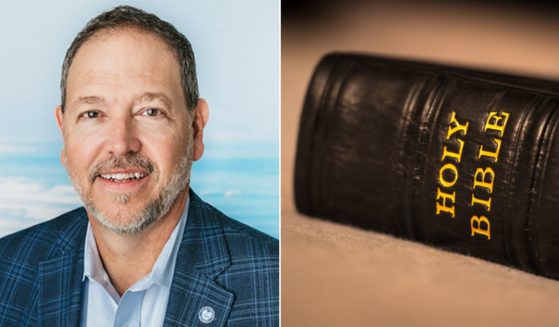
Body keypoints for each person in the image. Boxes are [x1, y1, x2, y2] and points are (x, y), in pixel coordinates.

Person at [0, 5, 278, 326]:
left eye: (150, 112)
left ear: (195, 130)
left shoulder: (276, 287)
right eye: (92, 114)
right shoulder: (6, 271)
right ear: (63, 133)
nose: (120, 143)